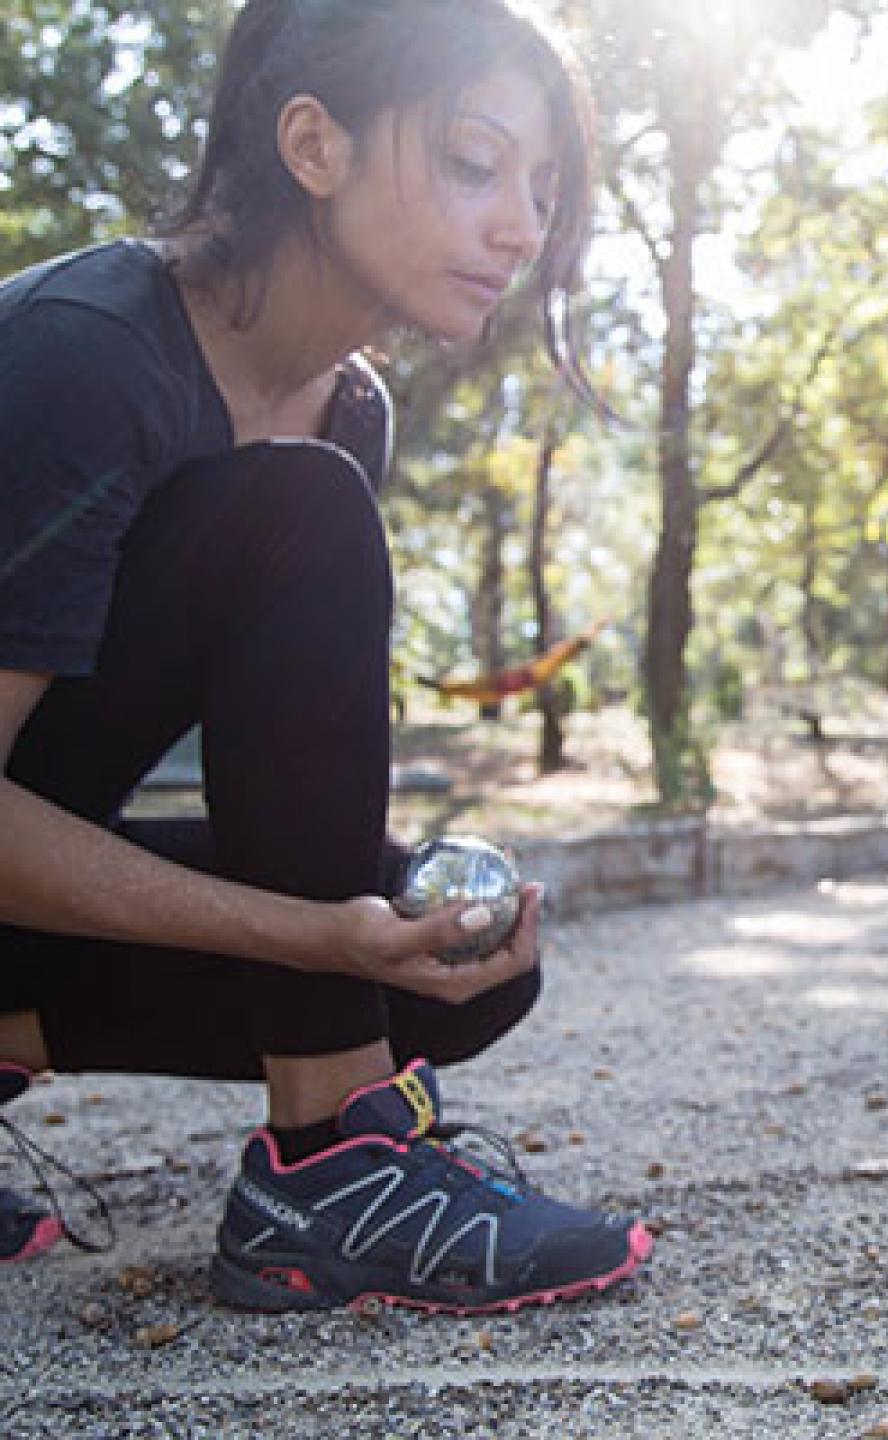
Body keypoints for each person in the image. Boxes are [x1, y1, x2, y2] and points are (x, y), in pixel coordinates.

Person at [0, 0, 651, 1312]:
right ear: (313, 143)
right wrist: (313, 938)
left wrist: (357, 928)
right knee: (296, 517)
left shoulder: (348, 409)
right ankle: (334, 1155)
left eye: (540, 187)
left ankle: (336, 1127)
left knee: (451, 974)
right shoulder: (87, 356)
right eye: (476, 162)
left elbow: (278, 759)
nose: (521, 226)